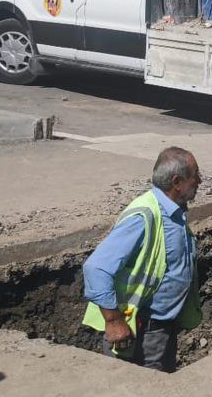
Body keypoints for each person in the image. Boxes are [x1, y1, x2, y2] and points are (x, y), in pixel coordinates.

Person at [81, 147, 203, 373]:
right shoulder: (143, 216)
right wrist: (114, 321)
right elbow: (96, 268)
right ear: (177, 182)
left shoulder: (172, 212)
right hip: (139, 330)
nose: (200, 181)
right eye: (195, 175)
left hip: (161, 328)